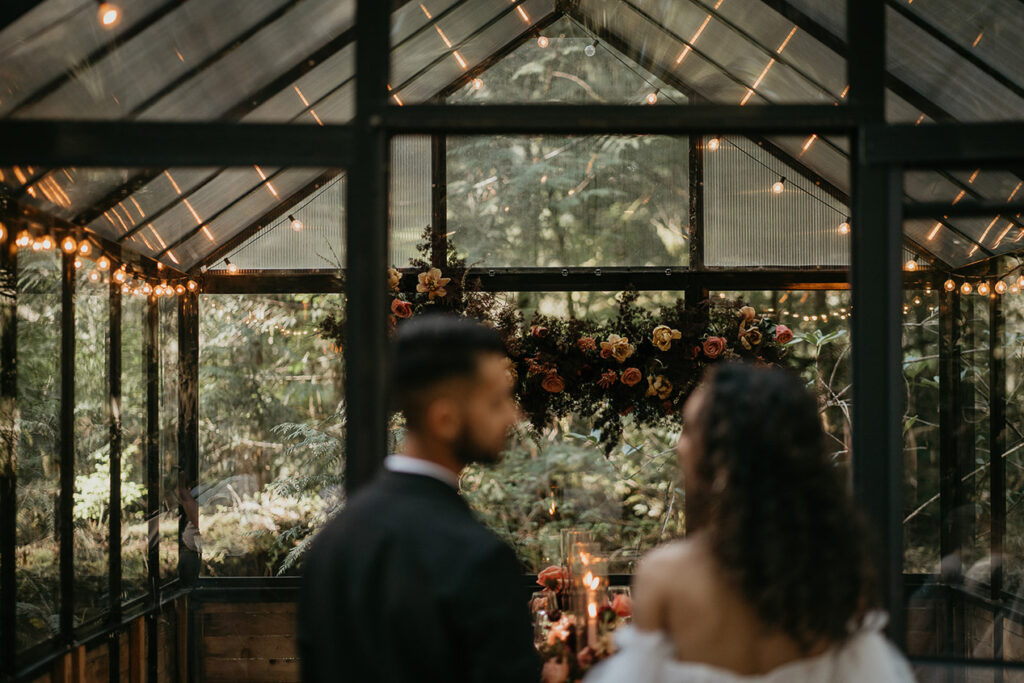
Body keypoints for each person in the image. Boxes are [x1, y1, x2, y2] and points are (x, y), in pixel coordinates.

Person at [586, 363, 914, 682]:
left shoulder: (665, 575)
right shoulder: (837, 569)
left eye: (688, 431)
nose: (678, 445)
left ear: (723, 455)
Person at [298, 314, 541, 683]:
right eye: (496, 402)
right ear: (444, 419)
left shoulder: (332, 543)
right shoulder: (479, 559)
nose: (514, 415)